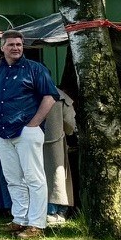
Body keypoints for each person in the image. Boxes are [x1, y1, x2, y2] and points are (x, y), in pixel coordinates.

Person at [0, 31, 58, 239]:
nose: (16, 48)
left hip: (26, 131)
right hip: (0, 131)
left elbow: (50, 97)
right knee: (13, 178)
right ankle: (20, 219)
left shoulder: (36, 69)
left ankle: (36, 224)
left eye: (19, 44)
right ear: (2, 47)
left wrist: (33, 125)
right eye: (11, 45)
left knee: (34, 178)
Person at [43, 85, 77, 223]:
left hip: (32, 141)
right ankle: (56, 210)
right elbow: (70, 124)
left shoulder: (27, 92)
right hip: (56, 142)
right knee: (57, 178)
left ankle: (47, 210)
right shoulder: (62, 97)